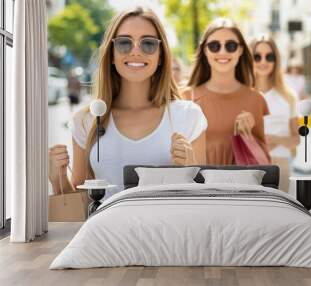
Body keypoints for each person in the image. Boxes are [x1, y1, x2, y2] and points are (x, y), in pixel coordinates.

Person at [49, 7, 207, 199]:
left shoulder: (189, 116)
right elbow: (78, 203)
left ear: (160, 56)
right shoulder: (86, 120)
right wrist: (57, 178)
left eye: (148, 44)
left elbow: (201, 198)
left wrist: (189, 171)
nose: (135, 51)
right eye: (124, 43)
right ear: (112, 54)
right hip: (105, 229)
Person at [181, 18, 270, 165]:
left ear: (240, 50)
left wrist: (249, 135)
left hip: (241, 186)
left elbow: (265, 161)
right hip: (195, 186)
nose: (222, 52)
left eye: (231, 46)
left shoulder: (256, 100)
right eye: (214, 46)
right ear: (205, 50)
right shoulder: (186, 97)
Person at [250, 36, 299, 192]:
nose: (263, 61)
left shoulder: (288, 97)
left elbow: (296, 139)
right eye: (257, 56)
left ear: (276, 60)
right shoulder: (242, 94)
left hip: (281, 163)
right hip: (249, 165)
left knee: (280, 214)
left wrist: (277, 140)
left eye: (269, 57)